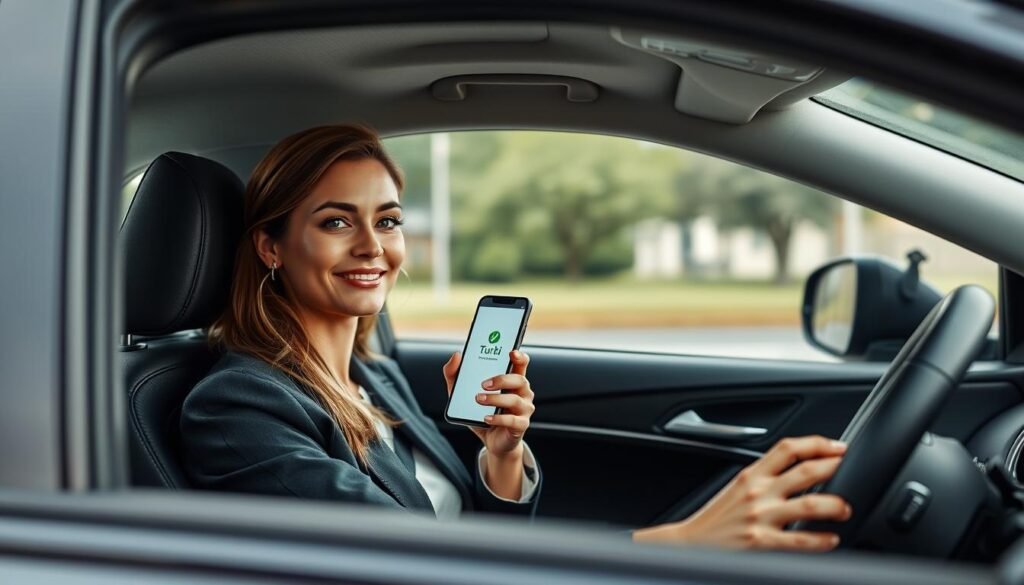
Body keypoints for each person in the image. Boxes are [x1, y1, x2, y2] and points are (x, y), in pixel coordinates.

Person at [180, 124, 852, 550]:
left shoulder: (371, 375)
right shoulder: (236, 405)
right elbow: (416, 557)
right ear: (271, 246)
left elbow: (470, 530)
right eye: (335, 222)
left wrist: (501, 451)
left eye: (387, 220)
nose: (372, 246)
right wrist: (679, 542)